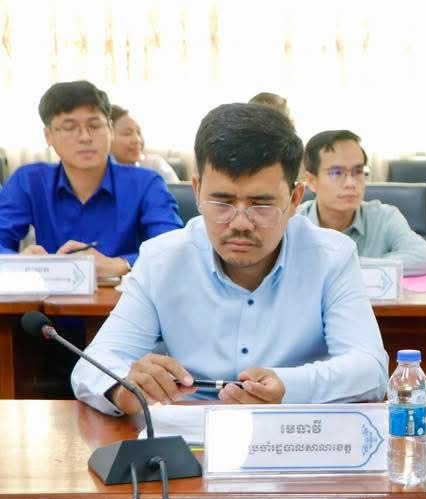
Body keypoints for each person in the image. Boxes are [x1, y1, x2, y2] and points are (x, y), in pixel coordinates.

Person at [72, 103, 388, 415]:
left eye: (261, 205)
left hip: (293, 429)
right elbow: (93, 365)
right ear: (197, 190)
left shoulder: (331, 257)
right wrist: (124, 389)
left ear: (294, 199)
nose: (240, 223)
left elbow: (369, 368)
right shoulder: (162, 259)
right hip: (189, 433)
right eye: (222, 202)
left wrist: (288, 387)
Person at [0, 80, 182, 278]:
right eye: (69, 127)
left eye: (94, 126)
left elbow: (172, 248)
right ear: (48, 135)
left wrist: (121, 264)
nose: (85, 137)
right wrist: (20, 262)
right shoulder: (29, 181)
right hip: (50, 295)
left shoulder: (146, 183)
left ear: (110, 129)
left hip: (126, 295)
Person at [298, 130, 426, 276]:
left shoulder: (384, 217)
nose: (350, 183)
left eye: (358, 171)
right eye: (336, 173)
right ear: (311, 181)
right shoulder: (293, 222)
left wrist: (352, 265)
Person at [109, 105, 179, 183]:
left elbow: (176, 189)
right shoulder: (102, 173)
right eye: (127, 133)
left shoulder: (155, 165)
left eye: (138, 133)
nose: (137, 140)